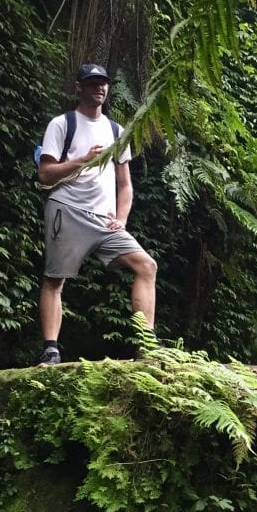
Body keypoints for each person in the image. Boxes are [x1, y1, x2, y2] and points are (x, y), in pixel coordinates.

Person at [37, 63, 157, 365]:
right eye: (92, 83)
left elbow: (125, 185)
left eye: (103, 83)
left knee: (146, 265)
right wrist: (82, 160)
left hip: (105, 220)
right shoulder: (63, 124)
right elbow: (45, 175)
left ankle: (148, 346)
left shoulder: (117, 131)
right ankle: (51, 348)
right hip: (67, 209)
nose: (99, 88)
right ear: (79, 87)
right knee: (55, 279)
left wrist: (122, 218)